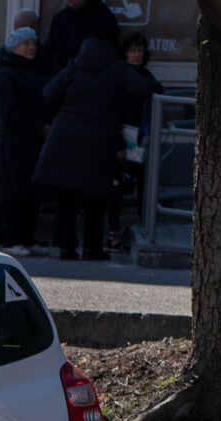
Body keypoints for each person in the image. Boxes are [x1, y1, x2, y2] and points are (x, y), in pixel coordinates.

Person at [35, 35, 141, 262]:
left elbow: (48, 93)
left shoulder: (73, 69)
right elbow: (143, 88)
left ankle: (67, 248)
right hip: (97, 141)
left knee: (66, 202)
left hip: (64, 139)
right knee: (95, 201)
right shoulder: (117, 71)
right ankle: (93, 249)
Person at [0, 11, 39, 246]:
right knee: (2, 190)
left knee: (16, 189)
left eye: (31, 33)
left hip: (23, 134)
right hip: (2, 134)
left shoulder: (36, 59)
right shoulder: (1, 59)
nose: (30, 44)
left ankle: (19, 237)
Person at [0, 28, 48, 256]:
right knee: (14, 190)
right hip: (14, 143)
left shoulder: (35, 70)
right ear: (14, 47)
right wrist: (38, 127)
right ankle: (12, 239)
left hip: (33, 142)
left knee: (31, 191)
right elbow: (9, 110)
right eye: (26, 44)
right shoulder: (5, 73)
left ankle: (27, 238)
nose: (31, 48)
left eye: (33, 43)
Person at [111, 33, 164, 249]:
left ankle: (142, 223)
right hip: (124, 137)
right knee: (116, 185)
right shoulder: (122, 75)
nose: (136, 55)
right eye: (132, 51)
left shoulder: (144, 74)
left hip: (140, 138)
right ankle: (114, 230)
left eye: (139, 51)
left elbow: (157, 88)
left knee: (142, 181)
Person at [39, 0, 120, 77]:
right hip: (62, 82)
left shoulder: (104, 19)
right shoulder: (60, 18)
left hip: (93, 84)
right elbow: (49, 52)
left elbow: (109, 57)